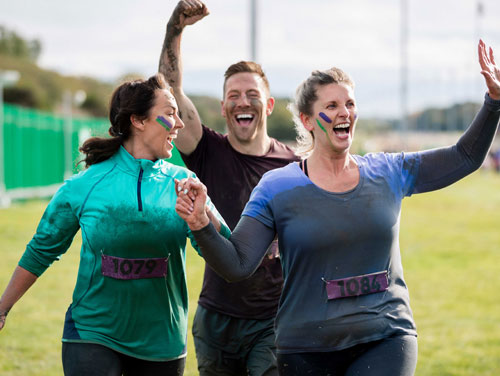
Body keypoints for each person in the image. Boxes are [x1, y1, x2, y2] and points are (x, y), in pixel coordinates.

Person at [174, 40, 500, 376]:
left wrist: (493, 102)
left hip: (386, 334)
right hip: (305, 347)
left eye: (350, 103)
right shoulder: (277, 187)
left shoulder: (387, 171)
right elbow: (237, 265)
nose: (344, 112)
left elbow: (464, 156)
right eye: (332, 104)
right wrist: (200, 223)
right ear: (308, 119)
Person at [0, 73, 229, 376]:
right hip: (92, 334)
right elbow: (41, 249)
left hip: (163, 343)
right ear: (138, 121)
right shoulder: (85, 186)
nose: (180, 123)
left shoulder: (185, 184)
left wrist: (203, 218)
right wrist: (3, 306)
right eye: (170, 114)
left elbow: (226, 251)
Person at [158, 1, 299, 375]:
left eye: (252, 94)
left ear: (267, 105)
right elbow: (169, 89)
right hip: (215, 318)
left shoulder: (293, 166)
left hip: (272, 318)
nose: (242, 101)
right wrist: (175, 29)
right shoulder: (206, 149)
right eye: (233, 95)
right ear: (223, 108)